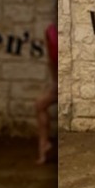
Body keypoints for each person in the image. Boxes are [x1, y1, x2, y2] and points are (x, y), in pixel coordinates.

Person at [35, 21, 58, 164]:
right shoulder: (50, 32)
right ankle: (44, 149)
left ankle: (44, 149)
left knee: (40, 105)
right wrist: (55, 82)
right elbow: (51, 61)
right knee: (39, 105)